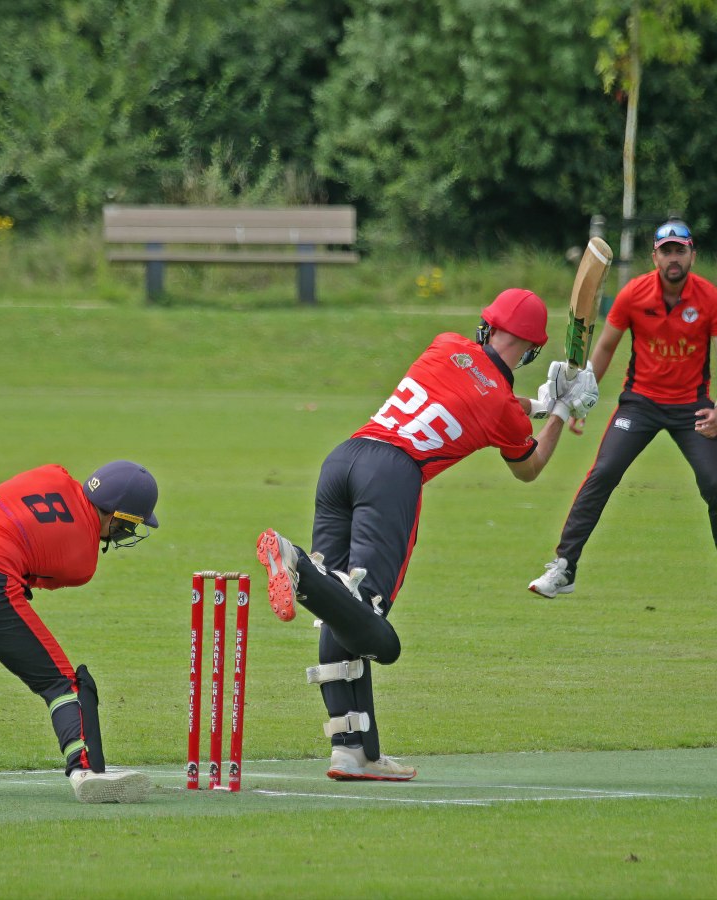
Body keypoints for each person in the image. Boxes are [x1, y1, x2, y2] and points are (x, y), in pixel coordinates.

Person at [256, 289, 597, 781]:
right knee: (375, 627)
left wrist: (543, 402)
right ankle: (297, 566)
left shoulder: (445, 344)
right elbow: (530, 467)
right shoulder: (503, 408)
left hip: (345, 458)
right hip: (392, 474)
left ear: (488, 324)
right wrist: (561, 412)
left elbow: (473, 389)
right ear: (531, 350)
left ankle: (353, 752)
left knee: (343, 608)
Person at [0, 460, 158, 804]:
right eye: (129, 525)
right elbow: (22, 578)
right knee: (60, 681)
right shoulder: (83, 561)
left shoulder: (53, 473)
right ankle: (86, 772)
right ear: (117, 518)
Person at [529, 219, 717, 597]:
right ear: (655, 257)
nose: (673, 258)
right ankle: (564, 568)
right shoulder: (634, 294)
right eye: (666, 251)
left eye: (680, 250)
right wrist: (580, 401)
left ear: (692, 254)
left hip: (692, 407)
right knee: (604, 472)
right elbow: (604, 347)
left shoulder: (709, 297)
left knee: (714, 483)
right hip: (641, 403)